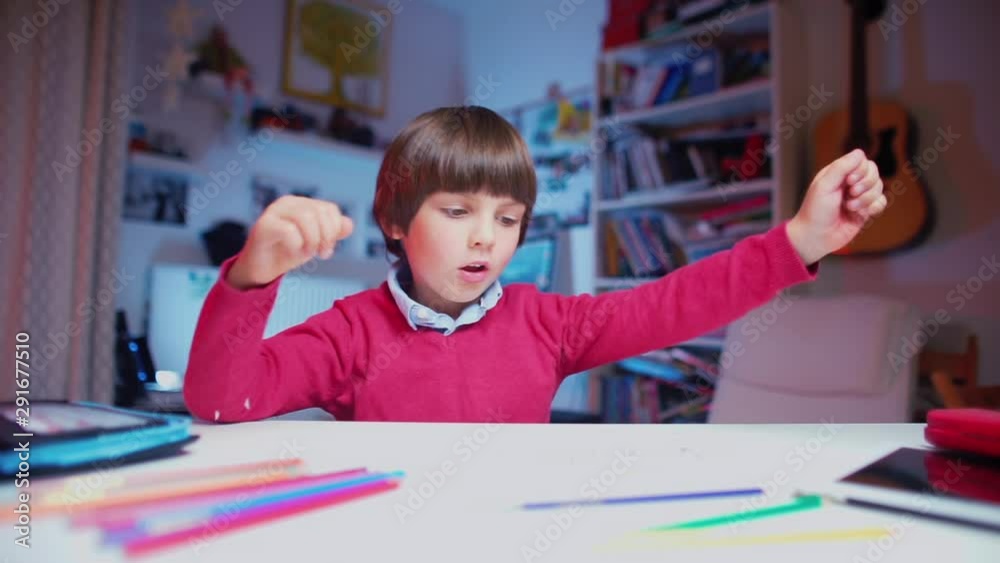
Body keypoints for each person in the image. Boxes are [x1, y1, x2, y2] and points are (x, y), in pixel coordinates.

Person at [183, 106, 887, 424]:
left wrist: (798, 240)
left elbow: (674, 303)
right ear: (395, 221)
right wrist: (253, 275)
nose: (486, 240)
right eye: (457, 212)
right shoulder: (350, 332)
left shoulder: (548, 323)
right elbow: (221, 400)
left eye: (508, 219)